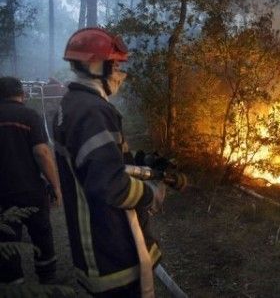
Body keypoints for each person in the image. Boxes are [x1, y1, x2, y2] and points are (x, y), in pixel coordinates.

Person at [53, 27, 165, 297]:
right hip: (111, 248)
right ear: (94, 65)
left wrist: (140, 164)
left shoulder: (72, 104)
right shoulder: (93, 111)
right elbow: (111, 185)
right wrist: (149, 195)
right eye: (114, 65)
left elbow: (100, 163)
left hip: (94, 243)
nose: (119, 74)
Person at [0, 76, 62, 285]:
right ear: (22, 94)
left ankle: (14, 284)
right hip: (31, 190)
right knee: (41, 233)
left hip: (2, 195)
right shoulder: (29, 116)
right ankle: (48, 279)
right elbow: (42, 153)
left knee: (7, 239)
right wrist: (55, 186)